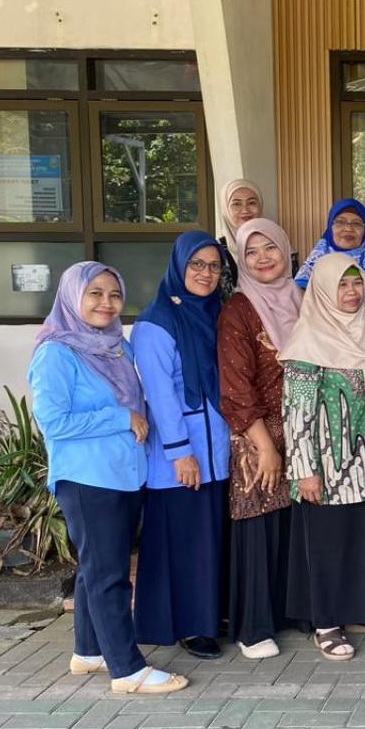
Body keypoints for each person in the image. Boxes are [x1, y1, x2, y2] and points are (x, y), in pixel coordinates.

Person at [28, 262, 186, 695]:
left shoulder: (117, 346)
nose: (106, 303)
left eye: (114, 295)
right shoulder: (57, 353)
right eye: (94, 293)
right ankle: (127, 669)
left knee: (94, 567)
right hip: (88, 478)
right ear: (72, 297)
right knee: (109, 575)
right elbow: (54, 423)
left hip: (123, 475)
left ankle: (89, 651)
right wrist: (121, 417)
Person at [281, 253, 365, 661]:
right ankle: (327, 622)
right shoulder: (307, 341)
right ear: (323, 290)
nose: (351, 292)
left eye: (357, 283)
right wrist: (305, 471)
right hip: (327, 465)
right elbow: (296, 413)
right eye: (342, 285)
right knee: (328, 544)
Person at [130, 231, 231, 660]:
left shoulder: (214, 313)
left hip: (216, 451)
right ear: (178, 265)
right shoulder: (156, 323)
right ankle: (189, 625)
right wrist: (180, 453)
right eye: (197, 264)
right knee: (184, 542)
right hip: (181, 457)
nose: (206, 273)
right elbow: (161, 396)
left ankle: (208, 615)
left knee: (207, 539)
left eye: (214, 266)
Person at [217, 218, 302, 660]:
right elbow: (236, 387)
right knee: (258, 527)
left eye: (270, 248)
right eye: (251, 252)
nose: (263, 258)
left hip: (302, 435)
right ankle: (254, 627)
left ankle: (289, 612)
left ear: (285, 250)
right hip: (258, 438)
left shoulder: (302, 300)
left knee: (292, 527)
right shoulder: (239, 309)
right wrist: (265, 446)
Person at [296, 198, 365, 333]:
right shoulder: (312, 271)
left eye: (356, 223)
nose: (348, 228)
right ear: (330, 227)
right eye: (340, 222)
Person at [217, 178, 263, 298]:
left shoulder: (277, 245)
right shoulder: (215, 251)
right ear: (225, 209)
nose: (245, 210)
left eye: (251, 203)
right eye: (236, 204)